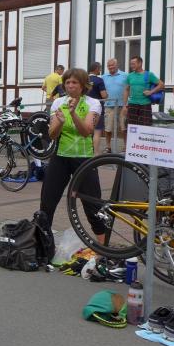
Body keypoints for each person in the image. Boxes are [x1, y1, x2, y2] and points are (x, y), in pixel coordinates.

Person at [40, 68, 104, 234]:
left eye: (74, 82)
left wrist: (73, 113)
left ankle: (102, 246)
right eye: (67, 82)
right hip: (61, 157)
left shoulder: (93, 103)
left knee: (93, 205)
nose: (70, 86)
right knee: (47, 202)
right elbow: (52, 135)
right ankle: (44, 243)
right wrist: (60, 122)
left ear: (83, 85)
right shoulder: (58, 103)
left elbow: (86, 131)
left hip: (84, 158)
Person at [122, 56, 163, 126]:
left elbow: (161, 84)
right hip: (132, 104)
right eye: (131, 64)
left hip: (145, 104)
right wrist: (124, 105)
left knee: (145, 126)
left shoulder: (149, 74)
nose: (131, 66)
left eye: (133, 64)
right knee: (131, 126)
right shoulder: (130, 76)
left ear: (140, 63)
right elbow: (126, 90)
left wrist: (151, 92)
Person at [101, 58, 127, 153]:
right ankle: (108, 147)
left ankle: (126, 147)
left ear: (117, 65)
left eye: (113, 65)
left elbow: (129, 89)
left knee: (124, 127)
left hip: (122, 105)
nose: (111, 67)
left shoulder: (125, 75)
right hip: (109, 105)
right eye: (109, 66)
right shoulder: (103, 77)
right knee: (108, 127)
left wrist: (126, 104)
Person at [87, 62, 107, 155]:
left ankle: (87, 151)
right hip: (97, 109)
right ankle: (96, 153)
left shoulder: (84, 79)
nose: (100, 70)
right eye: (100, 68)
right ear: (96, 69)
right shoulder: (99, 80)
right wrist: (107, 95)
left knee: (87, 131)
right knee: (97, 131)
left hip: (85, 108)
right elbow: (104, 95)